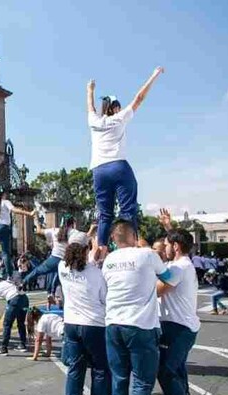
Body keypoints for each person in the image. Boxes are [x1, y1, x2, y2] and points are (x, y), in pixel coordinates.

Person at [102, 219, 172, 395]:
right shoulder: (147, 254)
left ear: (114, 239)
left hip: (113, 324)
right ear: (134, 236)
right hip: (140, 325)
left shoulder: (109, 260)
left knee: (120, 378)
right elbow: (168, 278)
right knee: (142, 380)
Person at [87, 67, 165, 255]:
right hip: (118, 166)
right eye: (118, 106)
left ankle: (101, 251)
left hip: (98, 171)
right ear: (114, 108)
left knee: (105, 214)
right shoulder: (120, 118)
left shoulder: (94, 121)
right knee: (128, 208)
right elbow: (139, 98)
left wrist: (89, 89)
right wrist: (154, 75)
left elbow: (90, 105)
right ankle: (131, 248)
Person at [153, 210, 205, 395]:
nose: (163, 247)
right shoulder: (183, 262)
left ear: (175, 247)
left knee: (166, 372)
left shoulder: (178, 268)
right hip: (178, 327)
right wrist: (168, 226)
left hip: (178, 329)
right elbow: (178, 241)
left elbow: (156, 290)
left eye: (166, 244)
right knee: (176, 371)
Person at [58, 233, 114, 395]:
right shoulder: (96, 273)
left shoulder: (62, 267)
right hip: (94, 325)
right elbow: (104, 299)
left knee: (75, 368)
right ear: (86, 250)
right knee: (100, 369)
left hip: (71, 324)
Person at [24, 215, 81, 294]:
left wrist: (36, 219)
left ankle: (23, 283)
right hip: (65, 261)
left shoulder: (54, 230)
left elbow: (39, 230)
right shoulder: (74, 232)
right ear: (72, 224)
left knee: (37, 271)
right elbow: (86, 236)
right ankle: (54, 294)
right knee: (61, 282)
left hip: (53, 259)